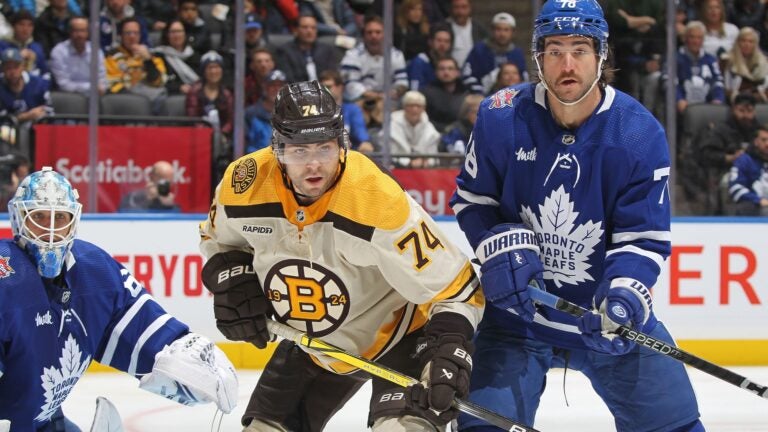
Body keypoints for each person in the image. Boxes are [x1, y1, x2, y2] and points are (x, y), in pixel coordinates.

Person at [450, 1, 705, 432]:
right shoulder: (500, 116)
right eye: (554, 50)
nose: (567, 64)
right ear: (537, 57)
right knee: (482, 425)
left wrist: (623, 298)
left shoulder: (638, 134)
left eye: (580, 50)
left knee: (675, 425)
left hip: (601, 319)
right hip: (518, 316)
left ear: (601, 55)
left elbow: (642, 239)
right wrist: (495, 242)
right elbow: (472, 201)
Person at [199, 80, 483, 432]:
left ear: (341, 145)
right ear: (278, 149)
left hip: (401, 332)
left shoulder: (376, 198)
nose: (314, 165)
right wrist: (234, 279)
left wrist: (450, 348)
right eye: (299, 152)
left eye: (325, 148)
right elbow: (218, 241)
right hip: (313, 344)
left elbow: (457, 285)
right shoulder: (244, 184)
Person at [0, 167, 237, 431]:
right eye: (39, 217)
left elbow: (138, 327)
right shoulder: (5, 279)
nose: (51, 230)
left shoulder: (93, 269)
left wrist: (181, 350)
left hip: (43, 420)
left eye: (60, 218)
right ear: (19, 219)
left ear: (74, 220)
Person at [49, 16, 107, 96]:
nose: (79, 35)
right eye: (76, 30)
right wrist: (91, 87)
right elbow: (63, 84)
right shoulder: (59, 52)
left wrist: (99, 88)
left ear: (88, 32)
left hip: (94, 97)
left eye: (82, 30)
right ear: (69, 32)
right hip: (68, 97)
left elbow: (102, 79)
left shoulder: (96, 51)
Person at [727, 123, 768, 215]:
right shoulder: (744, 160)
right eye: (764, 140)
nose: (767, 144)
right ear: (756, 141)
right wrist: (758, 200)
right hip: (755, 207)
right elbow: (735, 187)